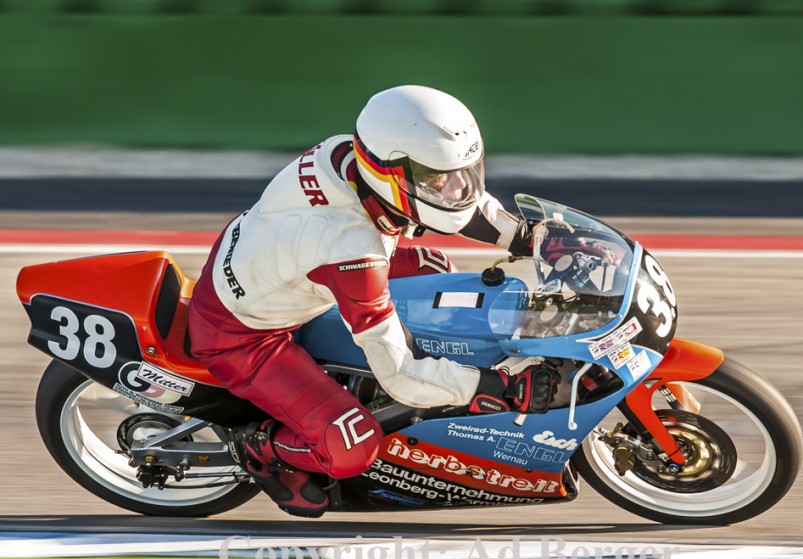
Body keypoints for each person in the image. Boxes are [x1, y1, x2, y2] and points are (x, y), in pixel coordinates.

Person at [187, 85, 557, 518]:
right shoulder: (350, 249)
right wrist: (496, 389)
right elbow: (400, 377)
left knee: (434, 268)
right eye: (439, 180)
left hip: (275, 266)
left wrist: (532, 237)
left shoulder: (348, 155)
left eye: (466, 173)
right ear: (389, 173)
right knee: (353, 446)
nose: (458, 189)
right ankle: (260, 447)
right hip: (244, 336)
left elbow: (457, 206)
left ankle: (401, 369)